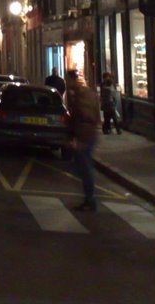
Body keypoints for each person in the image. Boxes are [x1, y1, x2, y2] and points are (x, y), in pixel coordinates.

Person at [66, 71, 100, 211]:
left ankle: (90, 199)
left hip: (84, 135)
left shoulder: (81, 96)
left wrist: (76, 136)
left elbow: (84, 116)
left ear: (73, 80)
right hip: (88, 134)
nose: (67, 83)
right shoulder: (87, 93)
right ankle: (89, 198)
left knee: (84, 168)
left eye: (67, 80)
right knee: (82, 166)